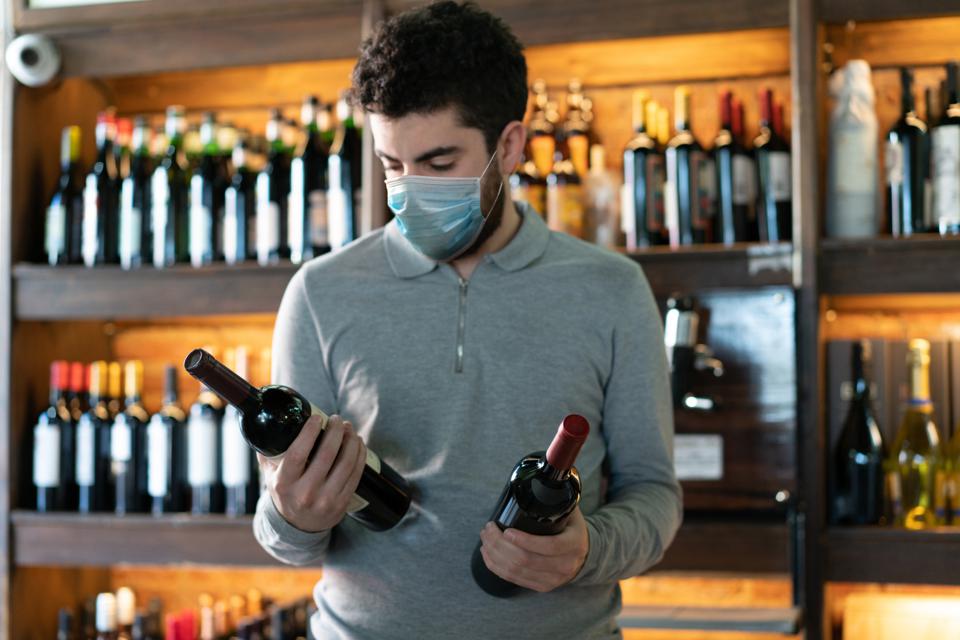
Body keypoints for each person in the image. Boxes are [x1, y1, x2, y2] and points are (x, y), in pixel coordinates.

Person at [253, 2, 681, 638]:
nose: (407, 193)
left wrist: (588, 548)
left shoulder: (611, 289)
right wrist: (295, 516)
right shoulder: (320, 292)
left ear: (508, 146)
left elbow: (654, 494)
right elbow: (282, 535)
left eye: (438, 163)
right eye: (392, 165)